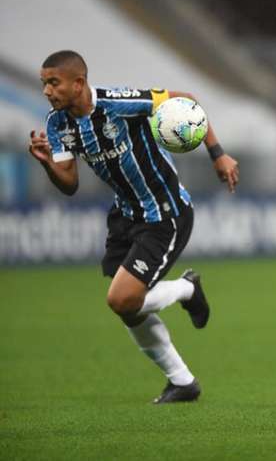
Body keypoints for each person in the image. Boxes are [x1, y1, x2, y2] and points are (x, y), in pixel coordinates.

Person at [28, 50, 239, 402]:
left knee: (123, 299)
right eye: (44, 83)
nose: (47, 90)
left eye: (54, 82)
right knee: (128, 307)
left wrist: (218, 154)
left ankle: (187, 290)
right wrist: (49, 163)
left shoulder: (119, 102)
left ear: (78, 83)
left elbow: (187, 101)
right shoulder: (57, 123)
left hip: (164, 215)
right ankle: (182, 382)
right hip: (125, 215)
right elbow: (69, 184)